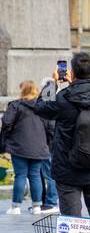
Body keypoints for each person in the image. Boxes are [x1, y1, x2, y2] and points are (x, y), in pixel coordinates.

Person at [32, 52, 90, 217]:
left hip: (67, 168)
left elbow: (41, 107)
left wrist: (53, 83)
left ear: (71, 73)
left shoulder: (64, 97)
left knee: (71, 221)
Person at [3, 80, 57, 215]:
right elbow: (51, 126)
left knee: (20, 175)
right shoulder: (42, 106)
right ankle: (37, 206)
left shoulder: (16, 105)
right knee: (35, 177)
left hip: (19, 146)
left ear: (23, 91)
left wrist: (8, 137)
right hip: (39, 147)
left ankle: (15, 207)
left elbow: (6, 123)